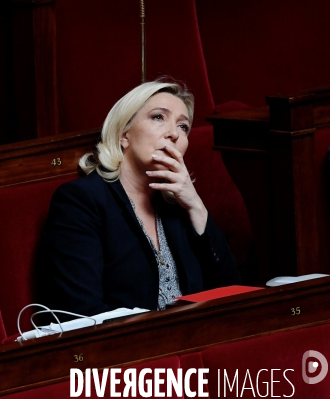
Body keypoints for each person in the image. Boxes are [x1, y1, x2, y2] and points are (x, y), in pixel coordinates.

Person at [38, 80, 241, 316]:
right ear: (124, 134)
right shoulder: (80, 201)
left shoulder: (177, 205)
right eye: (158, 117)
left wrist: (196, 206)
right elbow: (82, 311)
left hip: (192, 344)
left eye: (183, 126)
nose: (174, 133)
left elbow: (230, 292)